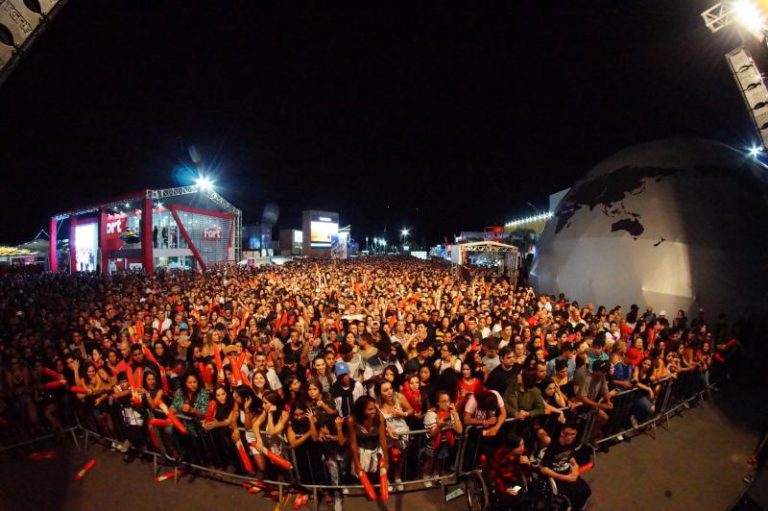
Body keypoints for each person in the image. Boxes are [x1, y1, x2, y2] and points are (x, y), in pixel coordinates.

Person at [537, 422, 592, 511]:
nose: (572, 437)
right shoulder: (553, 447)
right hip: (556, 476)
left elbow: (570, 457)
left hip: (567, 472)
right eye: (570, 434)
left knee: (586, 491)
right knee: (574, 494)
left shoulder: (571, 443)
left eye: (574, 434)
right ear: (562, 434)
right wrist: (564, 478)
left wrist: (575, 468)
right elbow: (543, 469)